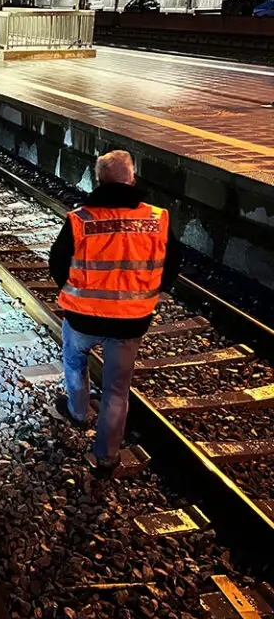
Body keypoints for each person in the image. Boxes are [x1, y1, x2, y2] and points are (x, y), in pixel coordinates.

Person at [49, 150, 182, 477]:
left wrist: (77, 291)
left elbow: (57, 262)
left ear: (99, 181)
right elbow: (172, 265)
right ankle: (107, 458)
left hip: (82, 317)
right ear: (131, 179)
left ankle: (78, 412)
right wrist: (148, 294)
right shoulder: (157, 219)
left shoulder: (81, 219)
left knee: (74, 361)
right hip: (130, 322)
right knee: (117, 390)